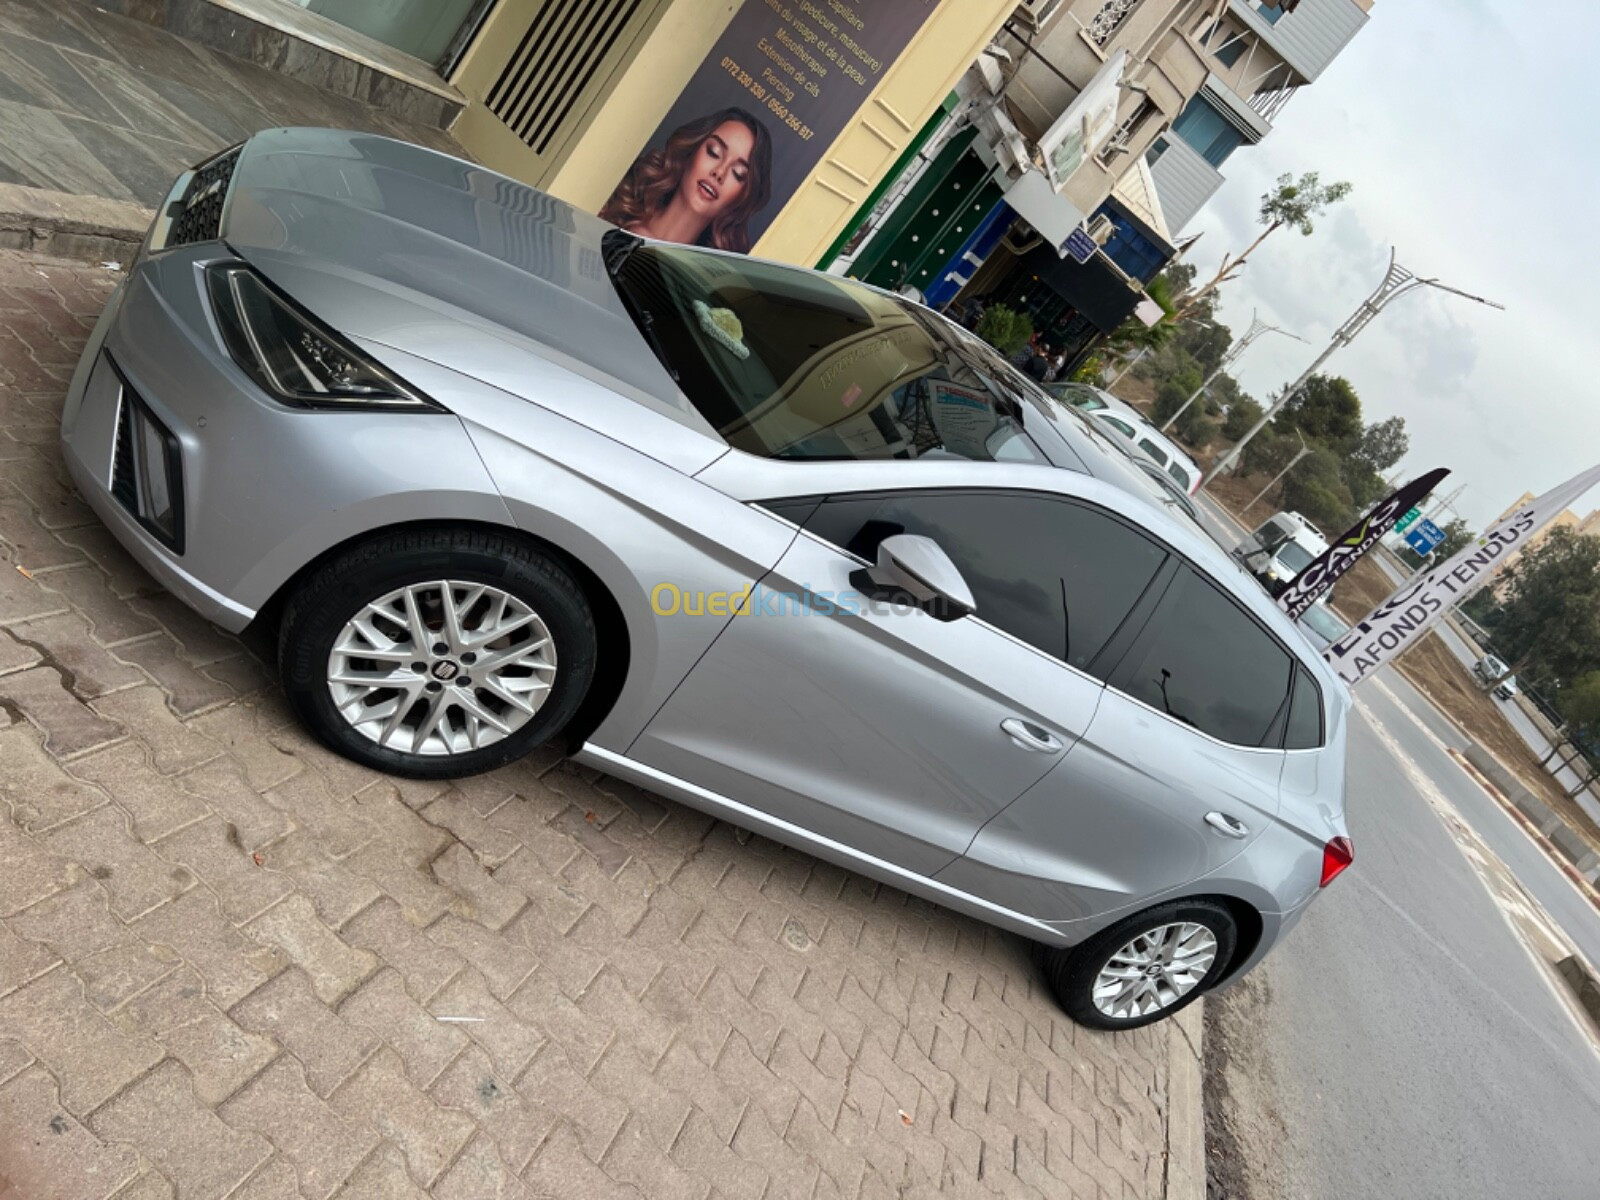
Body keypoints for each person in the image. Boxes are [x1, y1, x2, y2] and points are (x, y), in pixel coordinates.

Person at [599, 108, 773, 254]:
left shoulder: (699, 283)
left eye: (738, 174)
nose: (719, 172)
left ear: (742, 197)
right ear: (690, 152)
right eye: (714, 152)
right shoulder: (609, 206)